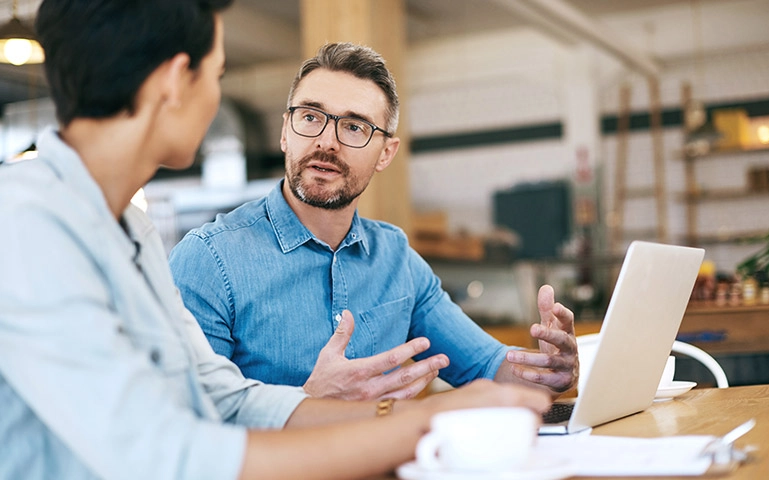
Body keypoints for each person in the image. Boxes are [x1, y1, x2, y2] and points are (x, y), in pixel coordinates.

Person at [0, 2, 553, 479]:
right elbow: (166, 454)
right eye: (217, 75)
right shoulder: (25, 223)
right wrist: (431, 424)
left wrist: (398, 415)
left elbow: (227, 397)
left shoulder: (129, 227)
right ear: (174, 81)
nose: (216, 98)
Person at [168, 42, 579, 402]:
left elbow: (488, 367)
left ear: (385, 153)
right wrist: (308, 401)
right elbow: (184, 426)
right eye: (310, 117)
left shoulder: (396, 258)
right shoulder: (208, 260)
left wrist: (548, 373)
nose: (326, 141)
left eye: (354, 126)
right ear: (284, 132)